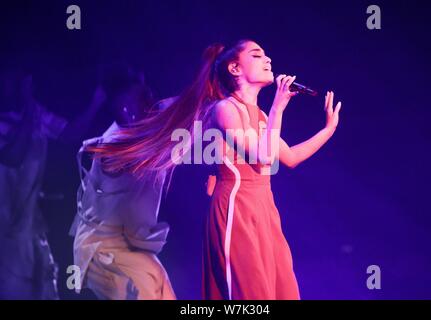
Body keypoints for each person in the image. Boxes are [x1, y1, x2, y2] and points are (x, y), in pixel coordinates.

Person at [86, 39, 342, 300]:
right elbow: (262, 157)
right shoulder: (225, 110)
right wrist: (279, 106)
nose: (268, 60)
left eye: (267, 55)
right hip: (236, 209)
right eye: (257, 55)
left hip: (265, 210)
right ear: (235, 69)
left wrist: (328, 129)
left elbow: (290, 157)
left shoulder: (263, 117)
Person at [70, 65, 176, 300]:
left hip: (128, 249)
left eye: (149, 91)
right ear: (123, 106)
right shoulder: (113, 146)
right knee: (145, 287)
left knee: (162, 288)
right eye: (142, 95)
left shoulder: (142, 133)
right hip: (105, 251)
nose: (151, 97)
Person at [0, 66, 105, 299]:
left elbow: (69, 134)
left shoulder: (32, 113)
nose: (12, 84)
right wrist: (28, 102)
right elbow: (14, 156)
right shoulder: (26, 115)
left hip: (32, 230)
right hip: (4, 235)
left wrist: (97, 100)